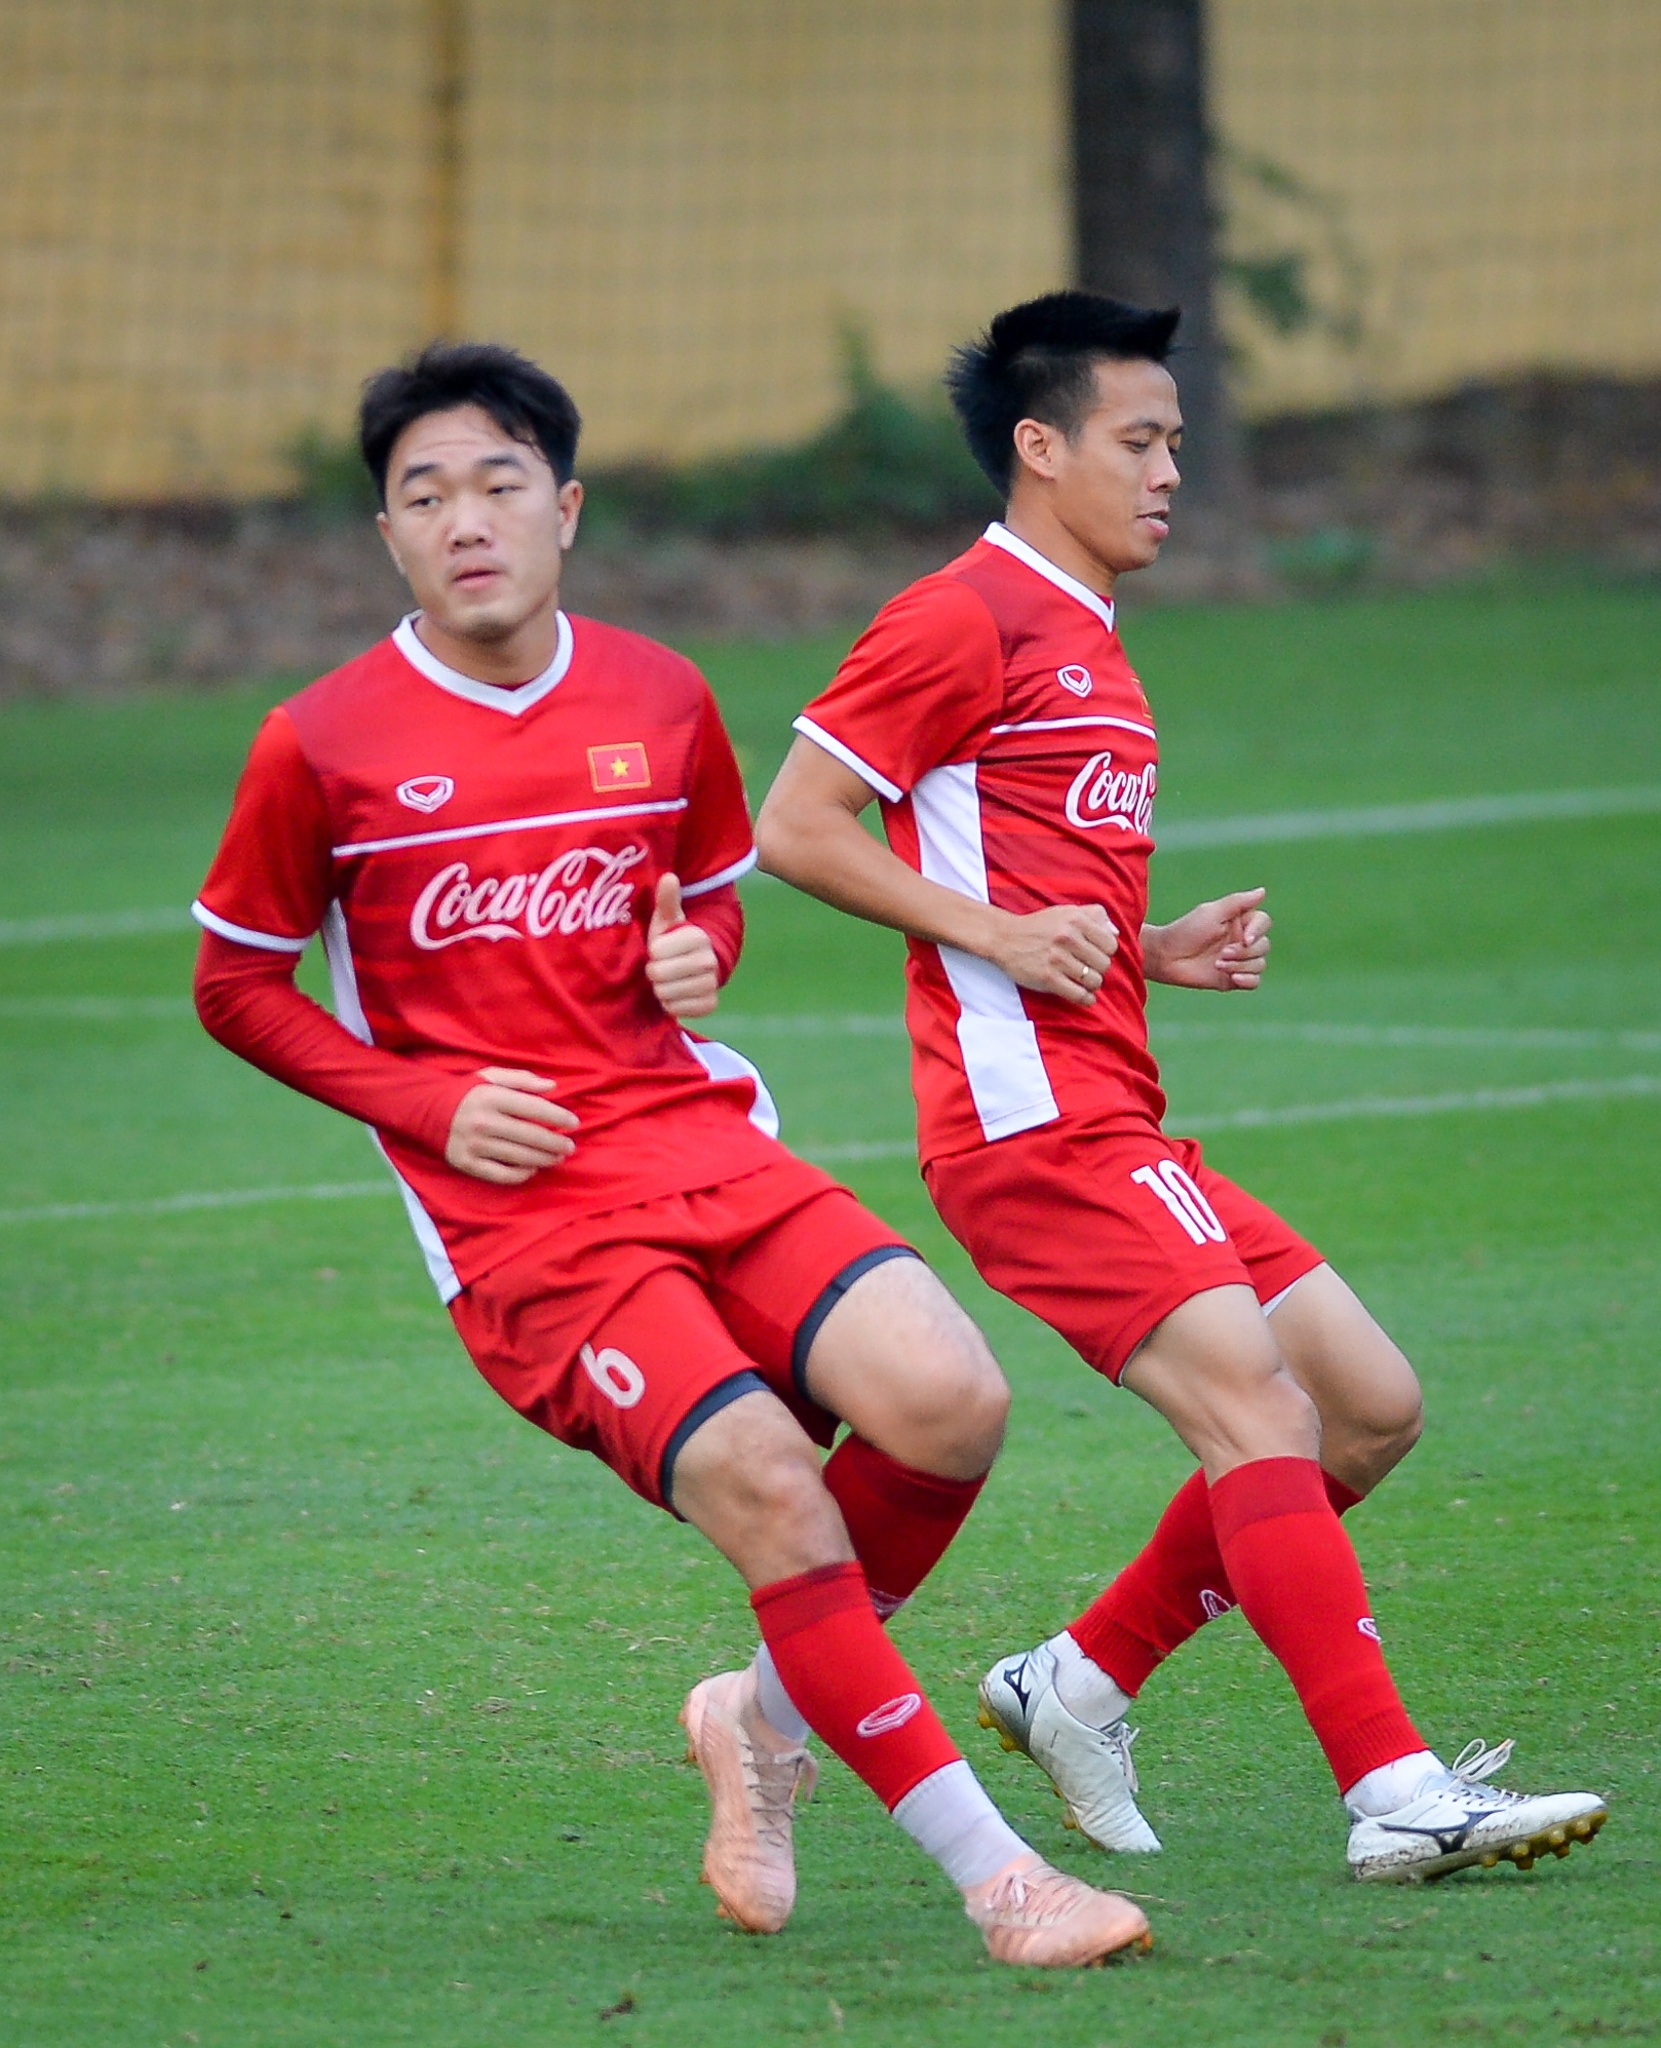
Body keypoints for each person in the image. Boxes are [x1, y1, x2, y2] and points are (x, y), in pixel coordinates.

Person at [190, 340, 1152, 1964]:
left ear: (564, 509)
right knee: (779, 1492)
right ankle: (1004, 1883)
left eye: (498, 484)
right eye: (422, 496)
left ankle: (759, 1717)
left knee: (950, 1405)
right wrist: (426, 1105)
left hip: (704, 1143)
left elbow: (703, 890)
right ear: (389, 539)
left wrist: (701, 951)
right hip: (524, 1228)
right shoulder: (323, 743)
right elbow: (234, 981)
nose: (464, 520)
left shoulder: (658, 691)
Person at [753, 290, 1608, 1884]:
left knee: (1365, 1409)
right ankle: (1393, 1791)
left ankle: (1074, 1684)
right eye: (1137, 442)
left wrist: (1143, 951)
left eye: (1173, 444)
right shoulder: (964, 614)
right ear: (1038, 446)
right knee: (1254, 1404)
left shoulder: (1085, 631)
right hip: (1032, 1129)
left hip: (1114, 1110)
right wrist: (1005, 932)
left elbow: (1006, 870)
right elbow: (795, 827)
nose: (1166, 475)